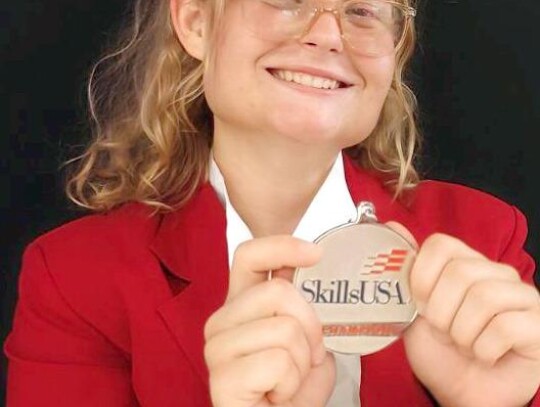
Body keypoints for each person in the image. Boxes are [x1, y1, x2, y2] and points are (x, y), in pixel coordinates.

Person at [4, 0, 540, 405]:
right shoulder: (75, 278)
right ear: (195, 21)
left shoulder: (484, 238)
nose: (329, 35)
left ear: (393, 56)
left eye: (361, 10)